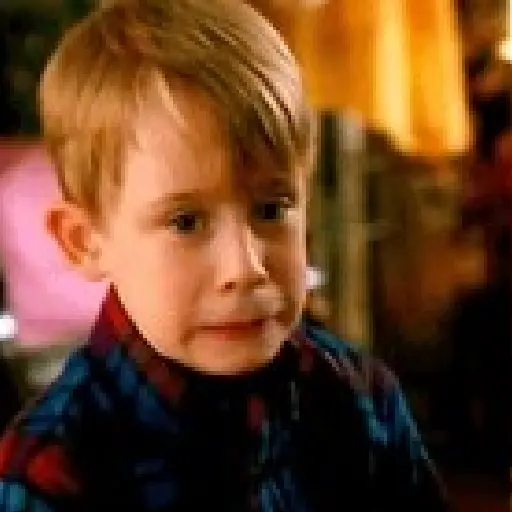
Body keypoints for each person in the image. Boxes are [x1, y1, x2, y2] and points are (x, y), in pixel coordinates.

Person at [0, 0, 449, 510]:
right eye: (185, 222)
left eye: (270, 209)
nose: (245, 268)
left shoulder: (362, 398)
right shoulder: (52, 470)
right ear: (84, 241)